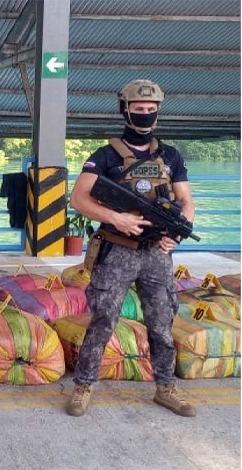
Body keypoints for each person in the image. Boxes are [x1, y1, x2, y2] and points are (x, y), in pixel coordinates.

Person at [66, 79, 196, 418]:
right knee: (103, 320)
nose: (145, 116)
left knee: (161, 322)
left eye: (151, 111)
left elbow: (186, 201)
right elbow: (77, 198)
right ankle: (83, 386)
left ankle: (165, 386)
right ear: (124, 110)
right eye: (139, 110)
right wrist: (115, 218)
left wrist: (177, 235)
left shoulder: (170, 155)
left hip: (157, 253)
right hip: (117, 249)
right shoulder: (105, 155)